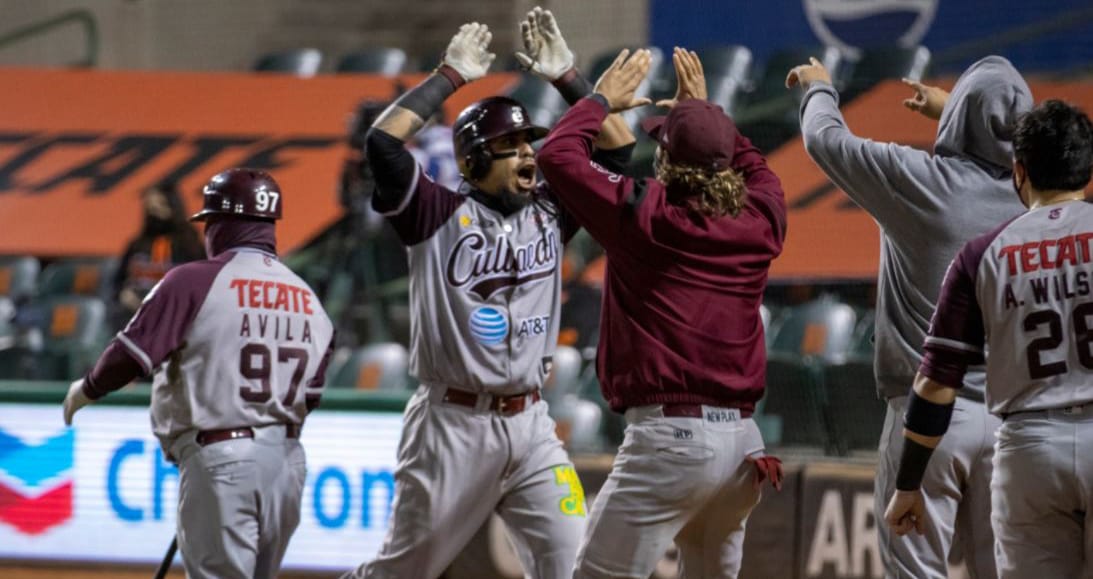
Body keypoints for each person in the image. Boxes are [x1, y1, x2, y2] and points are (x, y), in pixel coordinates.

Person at [342, 10, 636, 579]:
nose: (528, 154)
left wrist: (568, 78)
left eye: (529, 141)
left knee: (579, 564)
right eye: (510, 145)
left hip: (531, 425)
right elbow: (383, 142)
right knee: (401, 572)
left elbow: (618, 155)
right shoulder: (436, 213)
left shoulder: (552, 210)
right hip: (451, 425)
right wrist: (450, 75)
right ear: (474, 159)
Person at [537, 47, 786, 579]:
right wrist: (710, 118)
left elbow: (557, 155)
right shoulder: (762, 216)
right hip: (743, 443)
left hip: (671, 440)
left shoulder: (645, 213)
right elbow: (756, 167)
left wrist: (600, 99)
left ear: (668, 160)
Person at [786, 55, 1033, 578]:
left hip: (929, 421)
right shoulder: (1036, 203)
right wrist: (965, 118)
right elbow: (1029, 137)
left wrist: (818, 89)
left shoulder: (919, 180)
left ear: (961, 117)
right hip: (1011, 421)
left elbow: (825, 141)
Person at [62, 168, 336, 579]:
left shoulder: (194, 281)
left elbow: (130, 356)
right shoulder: (309, 299)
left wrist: (86, 389)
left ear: (222, 224)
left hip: (222, 456)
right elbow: (309, 398)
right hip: (287, 463)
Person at [884, 100, 1093, 578]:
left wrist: (910, 484)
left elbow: (935, 385)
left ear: (1019, 171)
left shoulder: (983, 253)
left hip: (1031, 446)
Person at [112, 181, 204, 329]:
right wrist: (124, 295)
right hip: (135, 316)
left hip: (177, 317)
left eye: (160, 205)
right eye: (150, 207)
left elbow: (201, 285)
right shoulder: (137, 244)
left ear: (173, 206)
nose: (154, 211)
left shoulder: (190, 244)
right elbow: (118, 283)